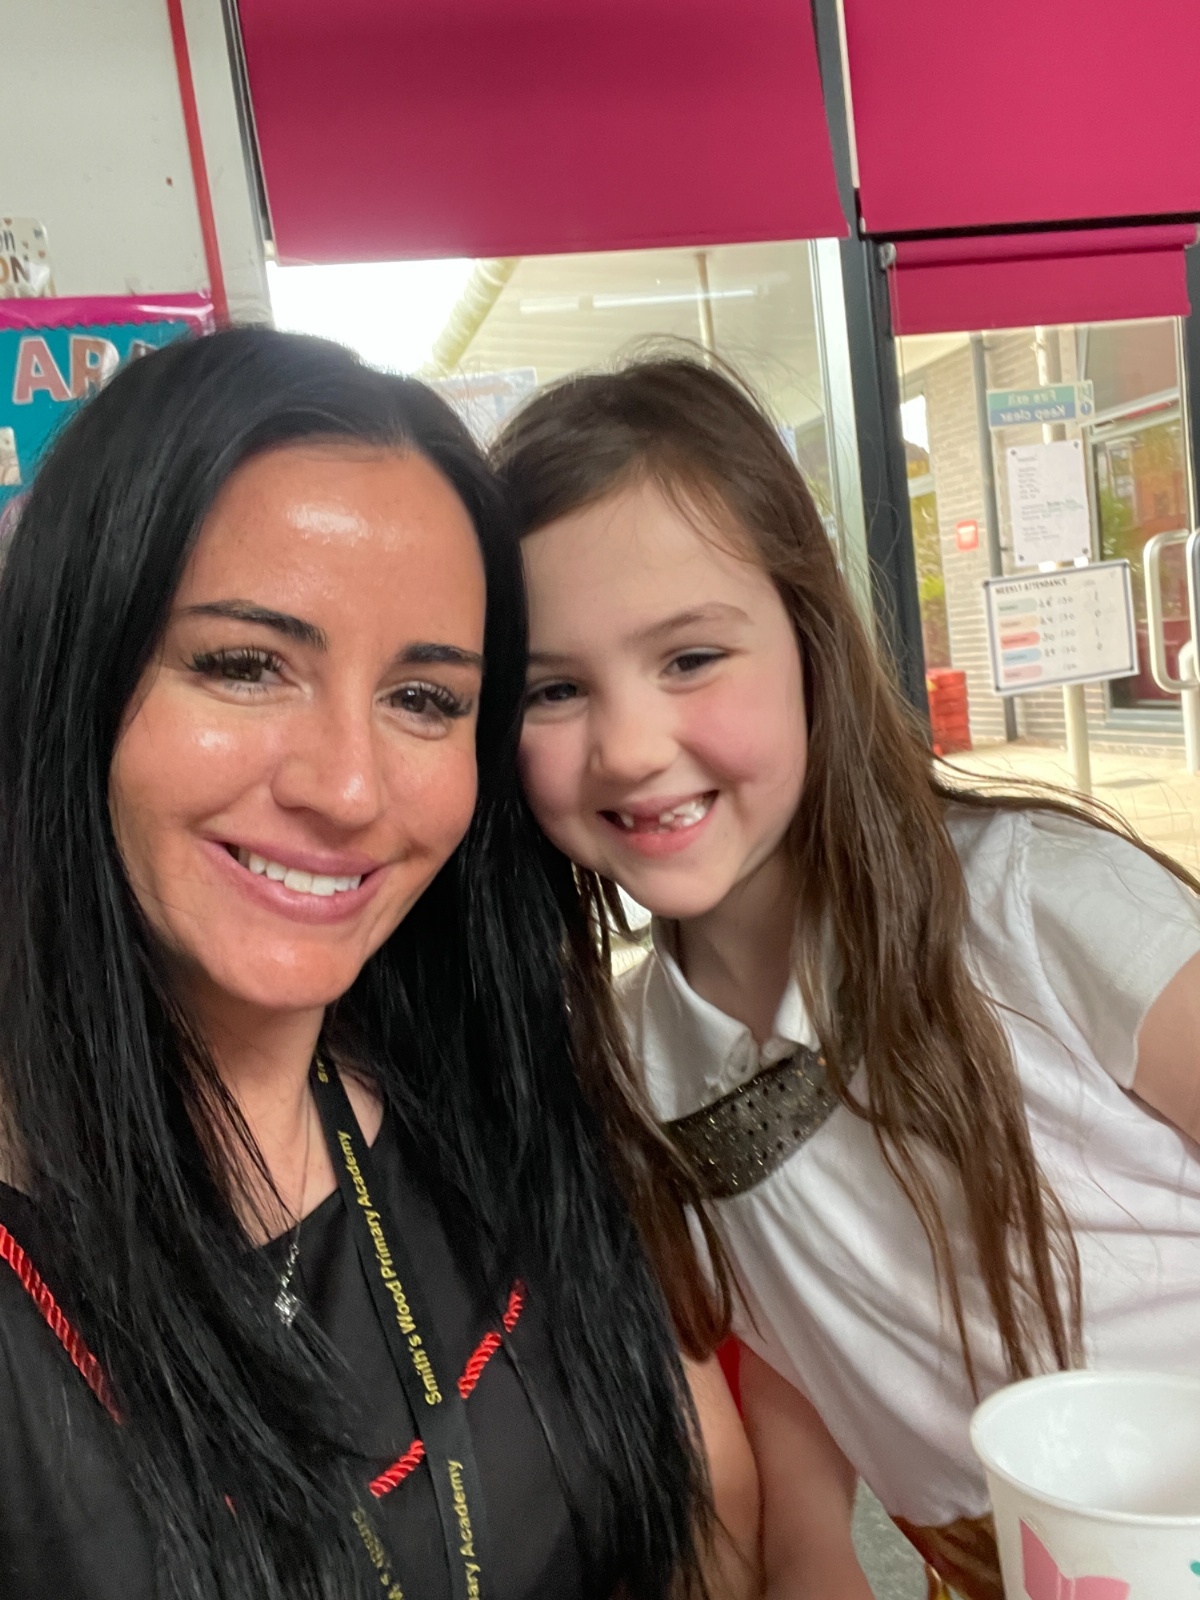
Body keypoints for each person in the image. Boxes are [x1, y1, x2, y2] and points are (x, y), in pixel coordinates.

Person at [0, 330, 758, 1600]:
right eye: (245, 665)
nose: (349, 788)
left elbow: (709, 1508)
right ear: (68, 672)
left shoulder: (505, 1107)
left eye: (424, 699)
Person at [494, 356, 1200, 1600]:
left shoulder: (1038, 906)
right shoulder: (631, 1059)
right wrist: (811, 1545)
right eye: (554, 688)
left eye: (691, 657)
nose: (632, 746)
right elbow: (788, 1312)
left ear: (809, 635)